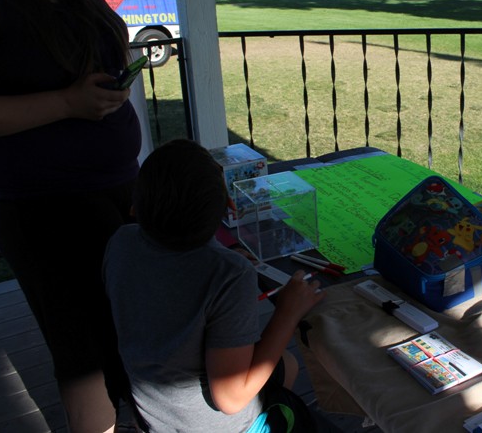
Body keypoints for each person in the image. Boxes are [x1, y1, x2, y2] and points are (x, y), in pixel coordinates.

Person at [0, 0, 141, 432]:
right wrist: (67, 103)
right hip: (41, 208)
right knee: (82, 353)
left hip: (115, 191)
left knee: (133, 334)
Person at [103, 139, 325, 432]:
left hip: (154, 411)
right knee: (288, 368)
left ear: (136, 205)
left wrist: (218, 257)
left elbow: (169, 273)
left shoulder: (122, 241)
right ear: (228, 207)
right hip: (207, 424)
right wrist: (287, 311)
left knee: (286, 365)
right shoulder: (229, 275)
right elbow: (231, 399)